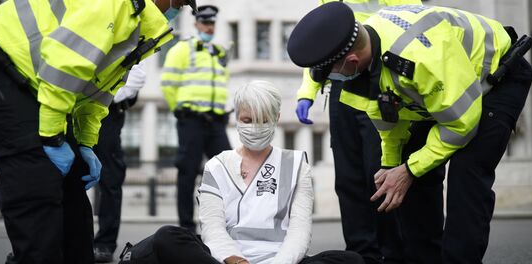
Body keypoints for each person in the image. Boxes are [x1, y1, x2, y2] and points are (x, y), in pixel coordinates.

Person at [287, 2, 532, 263]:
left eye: (330, 77)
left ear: (351, 62)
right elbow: (390, 123)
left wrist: (409, 170)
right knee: (409, 170)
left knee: (467, 176)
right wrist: (392, 166)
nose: (331, 84)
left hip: (496, 80)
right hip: (441, 92)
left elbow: (461, 125)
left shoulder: (421, 57)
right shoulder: (365, 64)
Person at [0, 0, 196, 263]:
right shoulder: (118, 5)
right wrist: (52, 136)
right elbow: (65, 64)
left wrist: (85, 143)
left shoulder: (137, 22)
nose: (177, 8)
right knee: (37, 178)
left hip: (30, 82)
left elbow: (96, 93)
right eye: (179, 2)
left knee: (73, 193)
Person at [119, 80, 364, 264]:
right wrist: (236, 260)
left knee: (351, 260)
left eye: (262, 119)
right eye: (247, 120)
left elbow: (300, 231)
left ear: (277, 118)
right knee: (167, 237)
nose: (254, 127)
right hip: (226, 261)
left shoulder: (297, 163)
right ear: (236, 118)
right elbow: (213, 230)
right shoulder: (217, 165)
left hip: (281, 260)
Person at [294, 1, 423, 263]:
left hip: (378, 75)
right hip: (341, 78)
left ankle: (392, 253)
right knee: (348, 176)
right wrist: (307, 91)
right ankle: (361, 253)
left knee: (378, 172)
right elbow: (321, 44)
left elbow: (414, 22)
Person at [160, 5, 232, 233]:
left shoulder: (219, 53)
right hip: (191, 120)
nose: (209, 27)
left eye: (212, 23)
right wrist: (180, 111)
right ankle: (186, 228)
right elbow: (168, 85)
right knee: (187, 172)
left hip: (217, 122)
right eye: (205, 23)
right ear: (196, 24)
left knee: (228, 171)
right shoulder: (182, 50)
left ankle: (226, 224)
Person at [93, 62, 146, 262]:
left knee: (110, 181)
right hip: (78, 106)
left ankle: (104, 245)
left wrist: (113, 95)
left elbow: (136, 76)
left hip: (109, 112)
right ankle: (73, 240)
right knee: (71, 179)